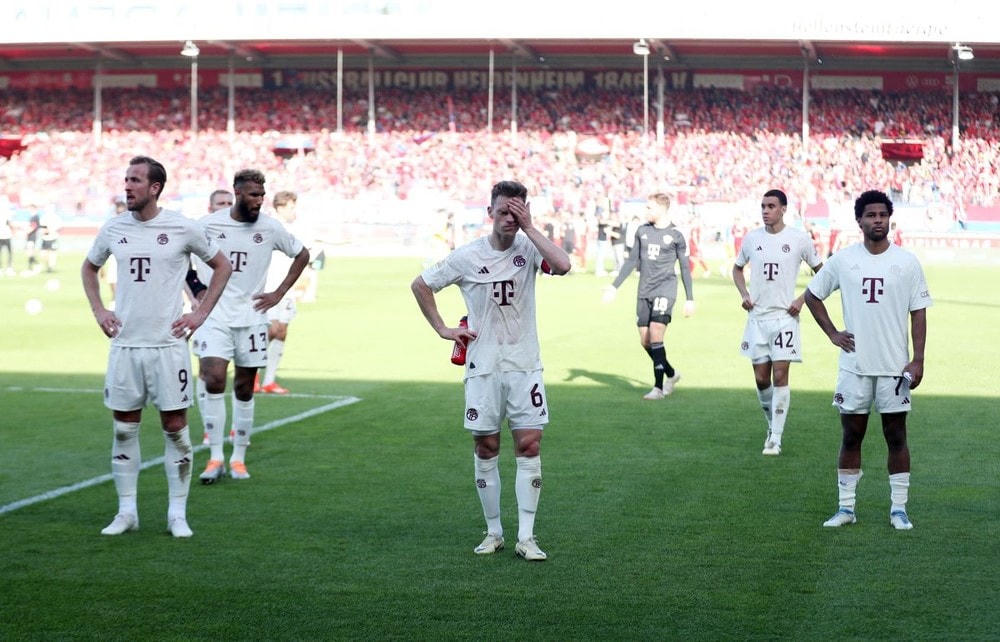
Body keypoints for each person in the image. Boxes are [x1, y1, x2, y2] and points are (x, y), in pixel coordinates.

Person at [411, 180, 570, 561]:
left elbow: (563, 265)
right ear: (489, 213)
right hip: (483, 367)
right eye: (503, 212)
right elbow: (421, 284)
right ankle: (494, 531)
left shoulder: (530, 248)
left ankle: (527, 537)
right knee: (486, 445)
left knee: (529, 444)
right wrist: (443, 329)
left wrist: (530, 227)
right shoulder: (466, 256)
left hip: (524, 365)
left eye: (516, 213)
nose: (509, 220)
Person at [80, 155, 233, 538]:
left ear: (155, 188)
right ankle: (126, 512)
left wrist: (199, 315)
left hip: (168, 347)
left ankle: (176, 514)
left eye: (134, 180)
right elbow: (88, 268)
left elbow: (222, 266)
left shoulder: (182, 227)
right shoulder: (113, 228)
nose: (127, 186)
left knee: (175, 428)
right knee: (124, 429)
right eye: (125, 179)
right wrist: (99, 309)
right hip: (126, 346)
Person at [804, 190, 931, 530]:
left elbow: (918, 313)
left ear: (890, 219)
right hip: (854, 365)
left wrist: (917, 360)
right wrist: (833, 334)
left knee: (896, 435)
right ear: (859, 220)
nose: (878, 220)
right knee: (850, 436)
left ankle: (899, 509)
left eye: (882, 214)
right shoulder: (844, 260)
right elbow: (812, 295)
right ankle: (846, 508)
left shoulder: (906, 262)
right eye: (871, 215)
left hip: (894, 366)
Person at [193, 170, 309, 484]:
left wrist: (279, 293)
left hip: (252, 318)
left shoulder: (270, 227)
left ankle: (238, 459)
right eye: (252, 195)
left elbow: (302, 254)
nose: (258, 201)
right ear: (238, 193)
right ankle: (215, 456)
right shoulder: (208, 224)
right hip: (215, 317)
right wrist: (196, 290)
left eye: (261, 195)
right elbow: (181, 256)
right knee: (214, 378)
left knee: (244, 388)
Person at [732, 189, 823, 456]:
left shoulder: (798, 239)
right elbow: (737, 268)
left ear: (783, 209)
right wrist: (744, 294)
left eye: (771, 206)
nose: (765, 210)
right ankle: (772, 424)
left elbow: (823, 272)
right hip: (757, 319)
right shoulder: (752, 238)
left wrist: (802, 299)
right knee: (761, 379)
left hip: (785, 318)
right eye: (763, 206)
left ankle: (776, 438)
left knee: (780, 375)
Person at [603, 192, 695, 400]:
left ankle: (658, 388)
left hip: (665, 289)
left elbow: (685, 268)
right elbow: (631, 261)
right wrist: (613, 287)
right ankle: (671, 374)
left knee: (655, 334)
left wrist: (690, 299)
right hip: (644, 290)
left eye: (649, 207)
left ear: (662, 209)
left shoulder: (676, 234)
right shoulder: (642, 231)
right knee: (646, 341)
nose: (646, 211)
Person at [194, 189, 235, 445]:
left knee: (239, 373)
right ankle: (210, 427)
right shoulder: (199, 230)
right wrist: (197, 291)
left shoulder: (243, 230)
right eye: (221, 203)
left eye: (230, 203)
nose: (226, 206)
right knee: (207, 372)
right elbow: (181, 263)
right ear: (210, 207)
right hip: (209, 311)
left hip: (239, 311)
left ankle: (236, 428)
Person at [258, 190, 306, 394]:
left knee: (282, 331)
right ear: (280, 207)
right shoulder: (268, 227)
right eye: (291, 207)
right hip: (268, 287)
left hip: (286, 288)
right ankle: (251, 373)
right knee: (269, 330)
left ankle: (269, 380)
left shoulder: (297, 228)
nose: (294, 211)